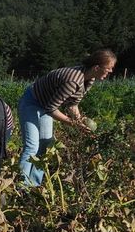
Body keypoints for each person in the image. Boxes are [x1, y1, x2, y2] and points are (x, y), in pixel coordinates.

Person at [17, 49, 115, 187]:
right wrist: (72, 123)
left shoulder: (89, 78)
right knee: (32, 145)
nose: (110, 72)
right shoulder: (73, 81)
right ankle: (20, 186)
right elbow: (50, 109)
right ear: (96, 67)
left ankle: (34, 185)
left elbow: (72, 104)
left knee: (45, 144)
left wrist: (80, 121)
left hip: (46, 104)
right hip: (32, 102)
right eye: (109, 68)